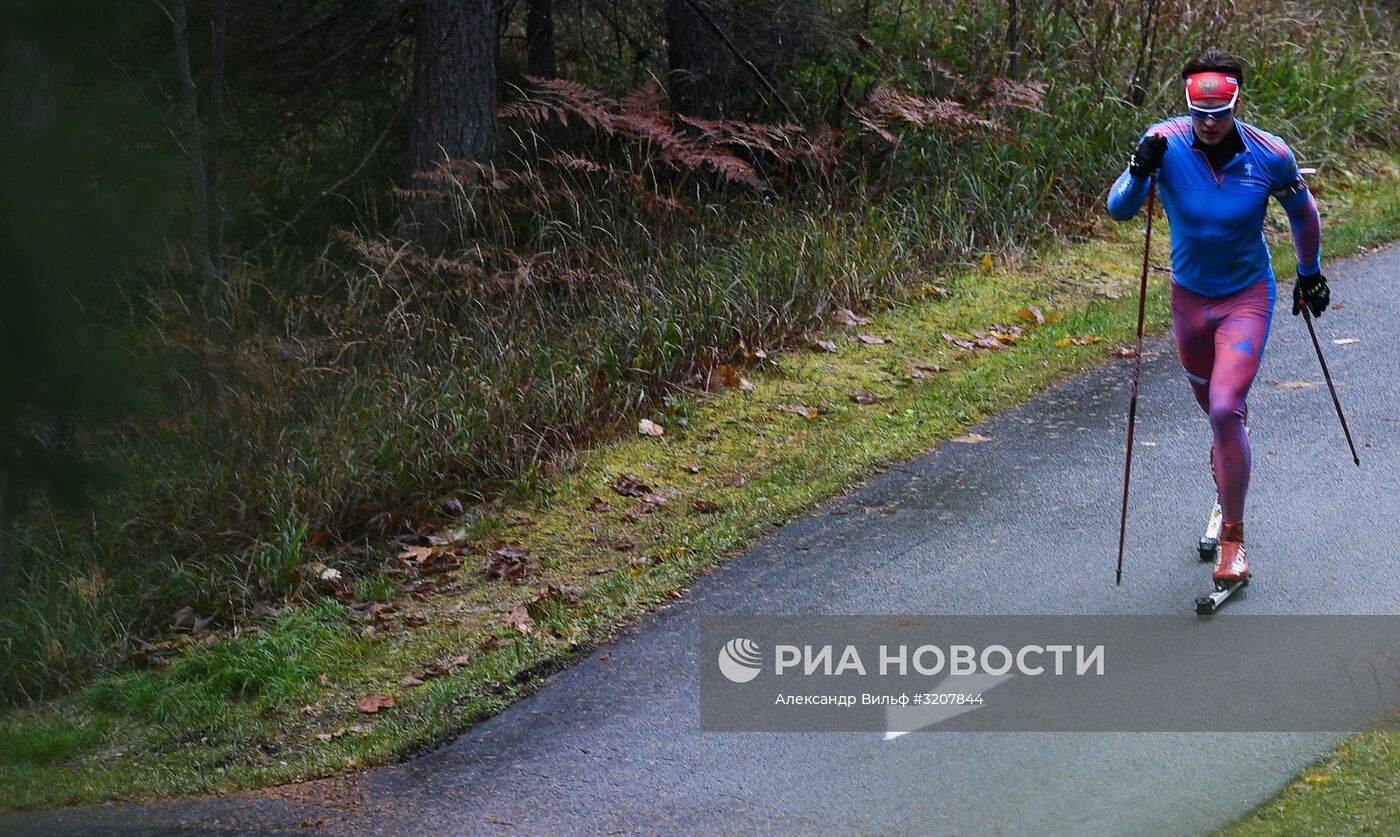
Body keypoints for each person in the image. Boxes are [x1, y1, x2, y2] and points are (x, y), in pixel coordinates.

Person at [1106, 48, 1328, 587]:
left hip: (1246, 299)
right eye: (1199, 112)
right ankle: (1226, 484)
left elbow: (1303, 211)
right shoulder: (1164, 143)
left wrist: (1309, 272)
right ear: (1187, 105)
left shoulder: (1269, 154)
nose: (1208, 123)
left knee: (1226, 408)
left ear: (1235, 103)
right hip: (1189, 302)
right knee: (1214, 411)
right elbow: (1119, 208)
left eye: (1220, 111)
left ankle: (1233, 540)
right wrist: (1139, 168)